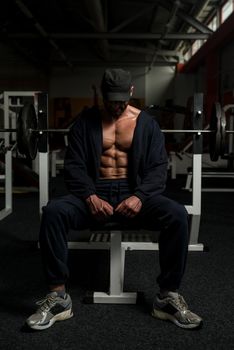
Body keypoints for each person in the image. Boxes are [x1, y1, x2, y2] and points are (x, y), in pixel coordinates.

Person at [26, 68, 202, 331]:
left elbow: (157, 169)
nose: (117, 106)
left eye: (122, 100)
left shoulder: (147, 123)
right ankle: (58, 296)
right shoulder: (85, 122)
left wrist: (140, 197)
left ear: (131, 92)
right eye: (111, 101)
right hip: (95, 193)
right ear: (102, 95)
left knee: (176, 214)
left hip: (135, 193)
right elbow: (73, 166)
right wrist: (89, 196)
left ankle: (167, 296)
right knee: (53, 211)